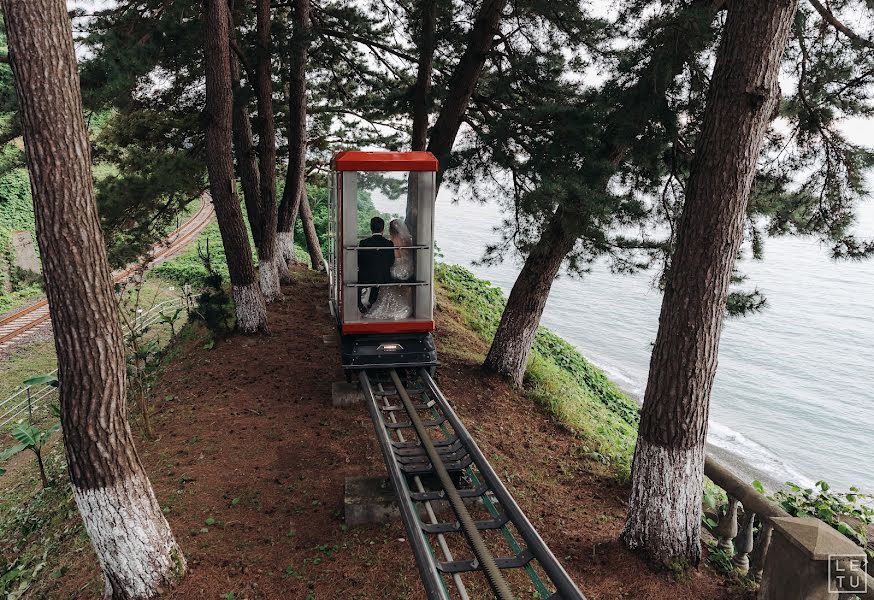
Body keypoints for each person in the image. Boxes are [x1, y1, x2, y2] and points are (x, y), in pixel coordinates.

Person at [365, 219, 414, 320]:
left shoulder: (392, 242)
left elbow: (394, 258)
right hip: (409, 268)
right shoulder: (407, 240)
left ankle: (383, 303)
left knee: (384, 272)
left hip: (399, 269)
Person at [358, 216, 395, 313]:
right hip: (383, 277)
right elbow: (391, 261)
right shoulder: (389, 244)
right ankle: (372, 301)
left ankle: (359, 304)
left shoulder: (363, 243)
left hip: (366, 277)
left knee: (356, 281)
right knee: (377, 274)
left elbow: (359, 261)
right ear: (383, 229)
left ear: (371, 228)